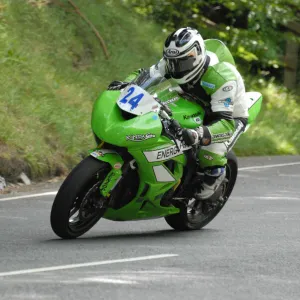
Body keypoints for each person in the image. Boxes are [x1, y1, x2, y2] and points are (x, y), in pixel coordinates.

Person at [107, 27, 248, 201]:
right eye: (172, 62)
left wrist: (198, 134)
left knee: (209, 152)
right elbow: (145, 75)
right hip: (189, 97)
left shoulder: (221, 79)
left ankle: (215, 174)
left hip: (228, 115)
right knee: (154, 112)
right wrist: (126, 84)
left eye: (181, 63)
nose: (175, 68)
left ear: (196, 57)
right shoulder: (174, 61)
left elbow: (226, 125)